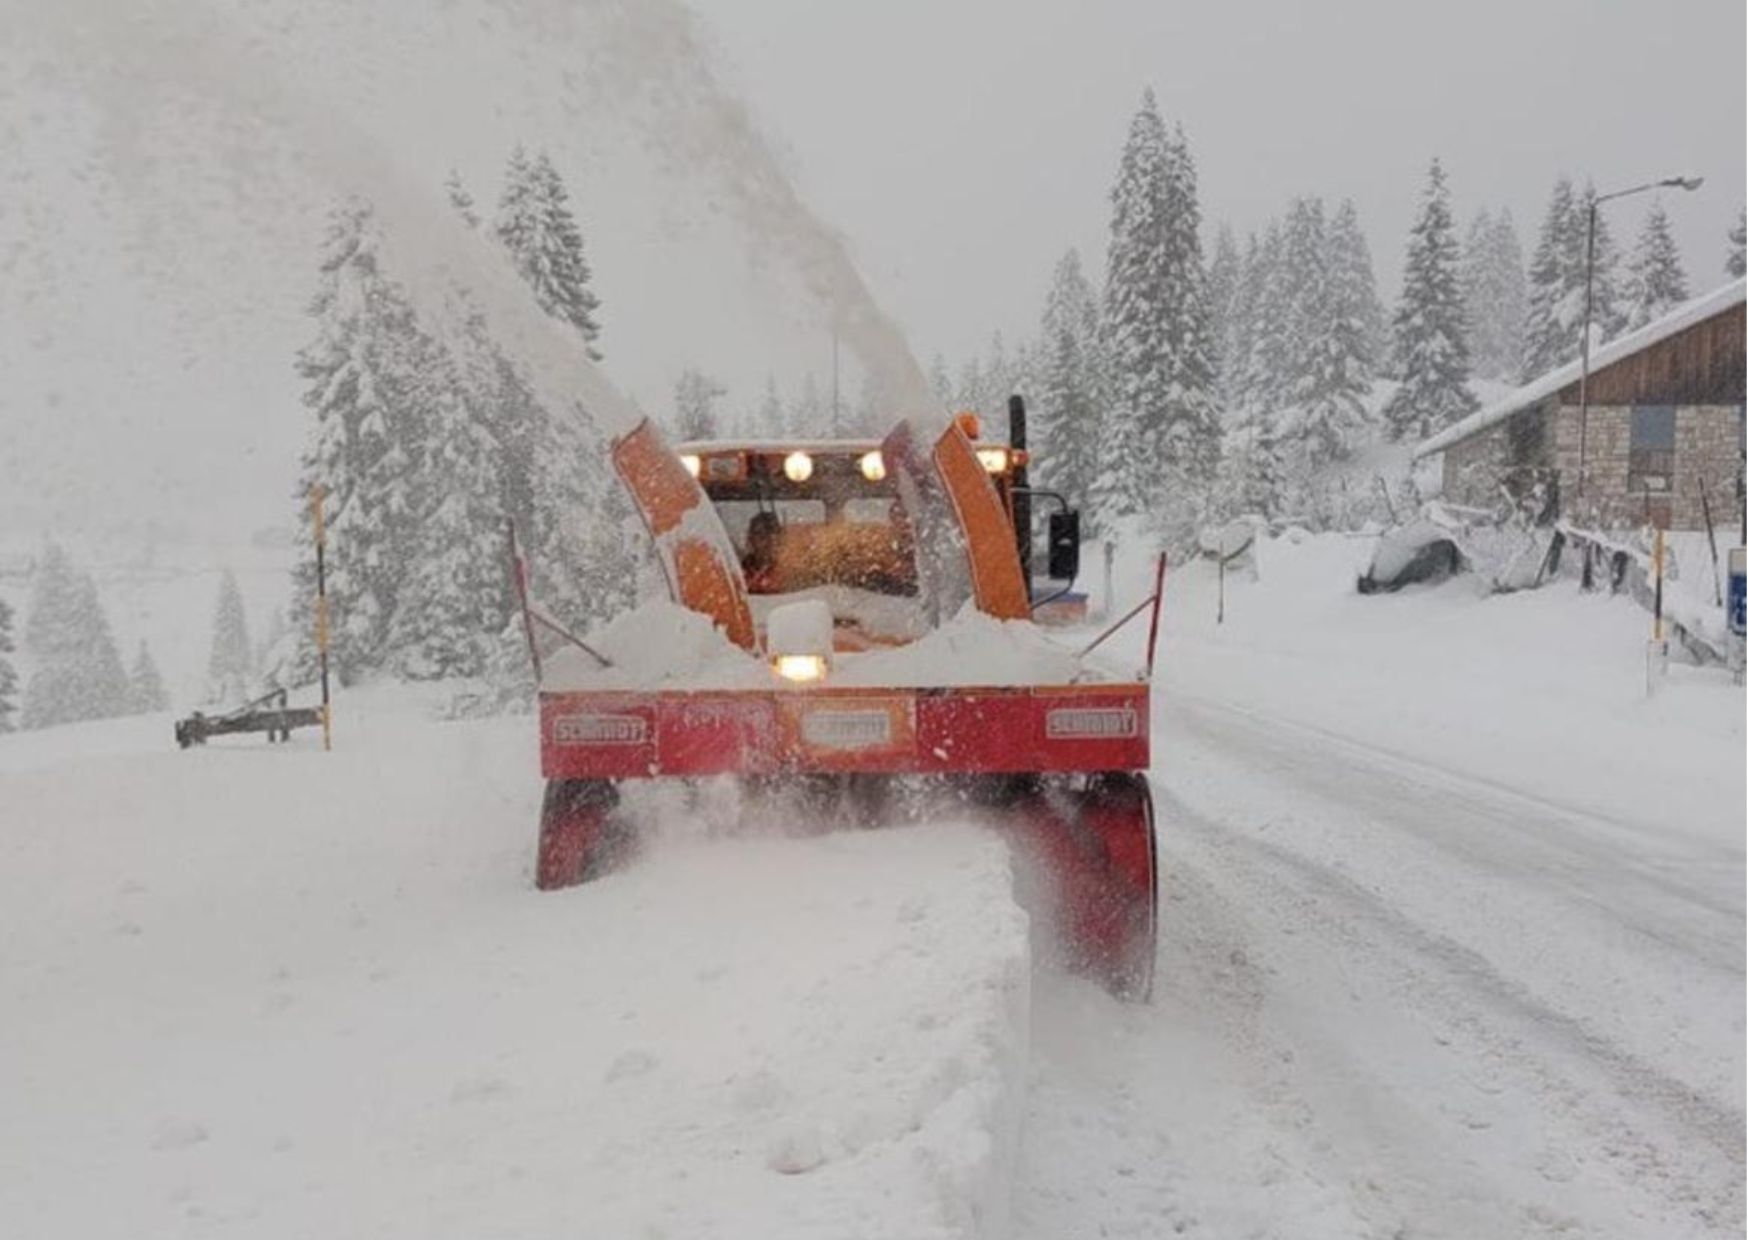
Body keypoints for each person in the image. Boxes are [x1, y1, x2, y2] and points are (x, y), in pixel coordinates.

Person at [742, 510, 782, 592]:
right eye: (761, 534)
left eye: (773, 533)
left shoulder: (790, 574)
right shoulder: (738, 573)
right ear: (751, 538)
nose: (768, 540)